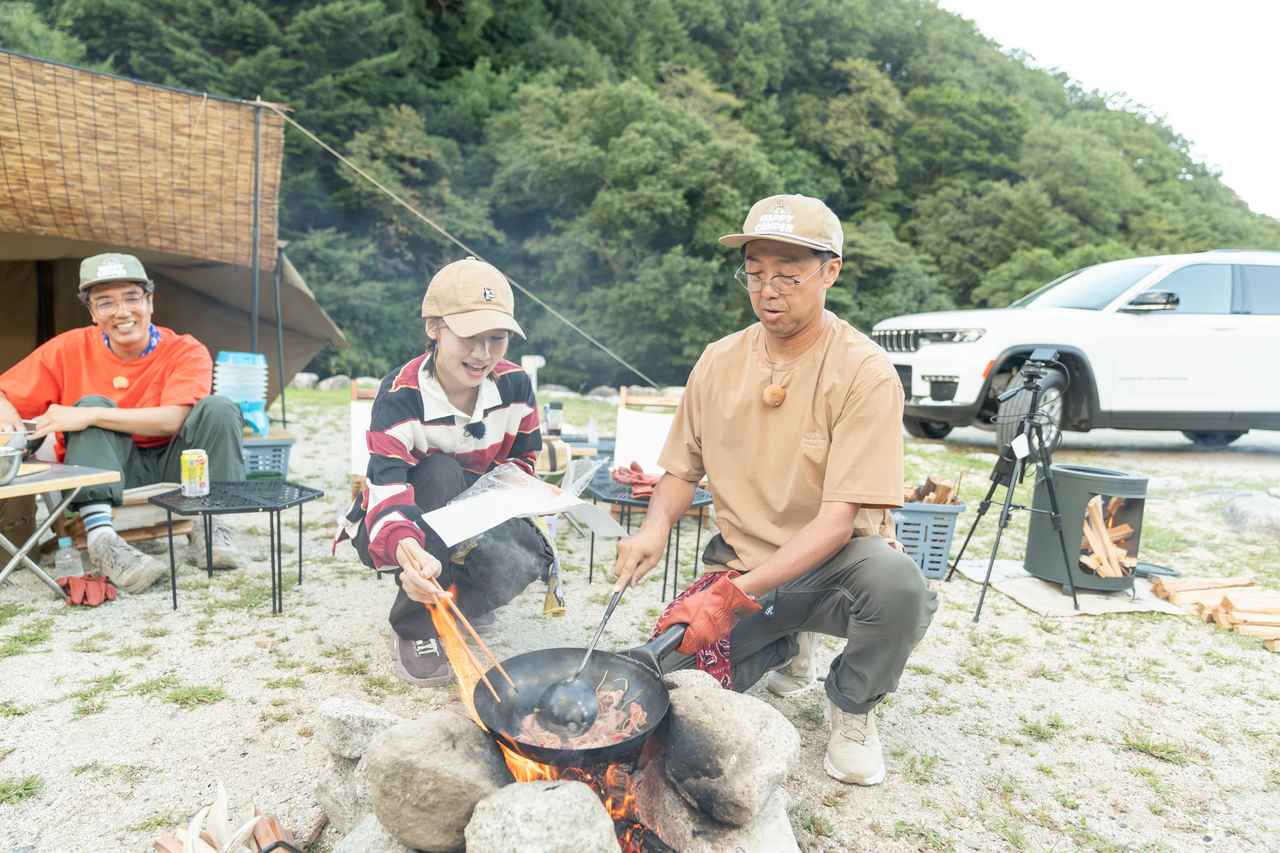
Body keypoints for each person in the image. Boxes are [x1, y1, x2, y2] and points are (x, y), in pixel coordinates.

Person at [613, 195, 937, 786]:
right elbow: (681, 471)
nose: (769, 290)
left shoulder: (863, 372)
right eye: (756, 273)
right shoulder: (717, 362)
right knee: (670, 684)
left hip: (837, 567)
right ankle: (787, 642)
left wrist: (729, 600)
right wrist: (653, 529)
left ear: (830, 272)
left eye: (789, 274)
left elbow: (838, 522)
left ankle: (852, 704)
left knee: (900, 589)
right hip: (743, 565)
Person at [337, 257, 552, 687]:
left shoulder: (515, 385)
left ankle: (458, 601)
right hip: (404, 513)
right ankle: (417, 624)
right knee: (439, 471)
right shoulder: (400, 394)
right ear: (434, 328)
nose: (483, 354)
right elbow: (385, 486)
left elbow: (523, 461)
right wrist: (404, 550)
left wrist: (513, 500)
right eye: (470, 337)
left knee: (531, 557)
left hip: (475, 506)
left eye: (497, 338)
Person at [0, 252, 246, 592]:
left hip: (178, 472)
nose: (121, 312)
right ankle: (104, 542)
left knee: (219, 408)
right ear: (91, 313)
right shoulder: (67, 348)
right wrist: (7, 416)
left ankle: (214, 524)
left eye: (132, 298)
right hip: (109, 472)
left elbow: (172, 419)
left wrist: (89, 414)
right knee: (90, 404)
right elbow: (2, 392)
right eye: (105, 303)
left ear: (150, 302)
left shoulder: (185, 350)